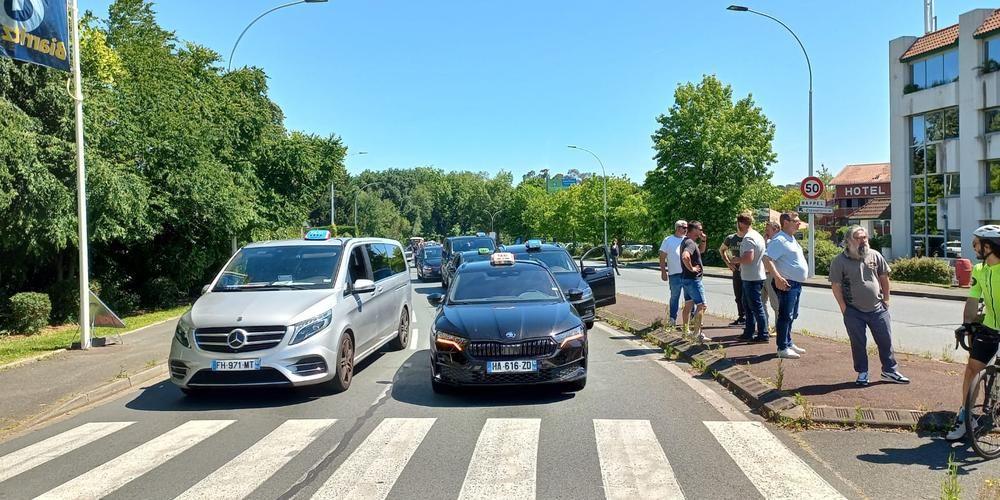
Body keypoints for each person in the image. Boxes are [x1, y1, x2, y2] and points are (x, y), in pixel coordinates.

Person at [829, 226, 909, 386]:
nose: (862, 241)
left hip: (878, 308)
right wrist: (844, 308)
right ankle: (862, 373)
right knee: (858, 343)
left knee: (885, 340)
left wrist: (886, 299)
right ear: (848, 241)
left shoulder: (875, 255)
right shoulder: (839, 261)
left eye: (864, 237)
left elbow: (884, 277)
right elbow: (835, 285)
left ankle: (890, 371)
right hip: (853, 310)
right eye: (858, 238)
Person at [947, 225, 1000, 441]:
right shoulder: (979, 270)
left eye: (976, 244)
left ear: (988, 246)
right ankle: (966, 415)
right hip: (989, 326)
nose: (973, 248)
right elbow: (972, 299)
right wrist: (966, 324)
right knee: (972, 370)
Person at [762, 212, 809, 359]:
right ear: (786, 222)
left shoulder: (790, 238)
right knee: (785, 315)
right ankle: (782, 347)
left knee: (792, 315)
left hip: (795, 283)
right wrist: (777, 277)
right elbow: (767, 258)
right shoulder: (780, 239)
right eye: (795, 220)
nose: (799, 223)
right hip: (787, 283)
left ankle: (788, 343)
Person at [735, 214, 768, 342]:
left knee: (755, 306)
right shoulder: (757, 235)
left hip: (751, 277)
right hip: (755, 275)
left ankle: (762, 334)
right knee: (748, 306)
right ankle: (748, 332)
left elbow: (749, 258)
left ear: (741, 224)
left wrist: (736, 260)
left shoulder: (748, 239)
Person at [680, 221, 710, 342]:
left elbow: (701, 251)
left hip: (686, 278)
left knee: (688, 305)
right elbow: (685, 256)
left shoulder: (687, 241)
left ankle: (686, 331)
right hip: (693, 279)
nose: (702, 231)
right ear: (694, 230)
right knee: (702, 305)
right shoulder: (690, 243)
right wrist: (691, 268)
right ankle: (697, 334)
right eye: (700, 229)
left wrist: (703, 240)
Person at [659, 220, 690, 327]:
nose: (686, 229)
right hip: (674, 274)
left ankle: (692, 319)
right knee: (674, 297)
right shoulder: (668, 240)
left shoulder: (688, 240)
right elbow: (662, 257)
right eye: (684, 227)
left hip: (688, 274)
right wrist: (663, 271)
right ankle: (672, 318)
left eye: (687, 227)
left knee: (689, 298)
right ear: (677, 228)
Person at [719, 225, 746, 326]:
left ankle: (749, 318)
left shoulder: (749, 237)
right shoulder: (730, 238)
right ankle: (742, 317)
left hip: (748, 270)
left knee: (747, 295)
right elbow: (722, 250)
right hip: (737, 270)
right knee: (738, 295)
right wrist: (728, 263)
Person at [762, 221, 781, 322]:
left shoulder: (778, 242)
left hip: (771, 276)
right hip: (762, 275)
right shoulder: (766, 241)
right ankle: (764, 326)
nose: (766, 232)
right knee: (761, 302)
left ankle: (779, 328)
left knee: (775, 303)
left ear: (776, 230)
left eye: (768, 230)